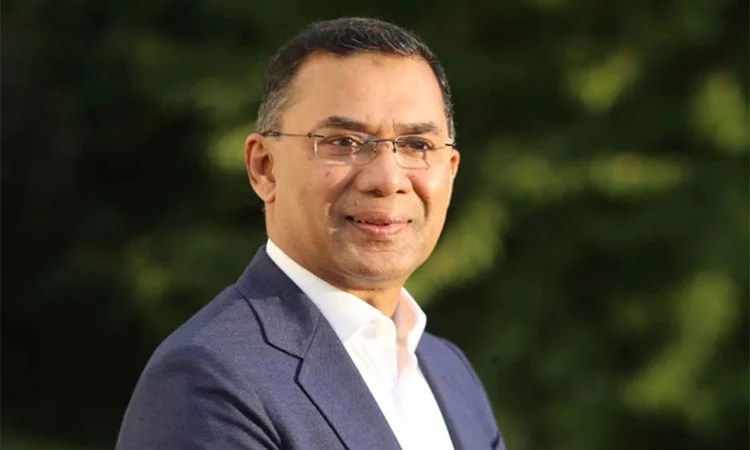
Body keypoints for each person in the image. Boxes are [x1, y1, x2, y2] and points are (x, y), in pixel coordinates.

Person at [116, 17, 505, 450]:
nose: (388, 179)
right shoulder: (207, 381)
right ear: (265, 168)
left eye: (417, 145)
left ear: (450, 171)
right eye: (343, 142)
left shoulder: (449, 370)